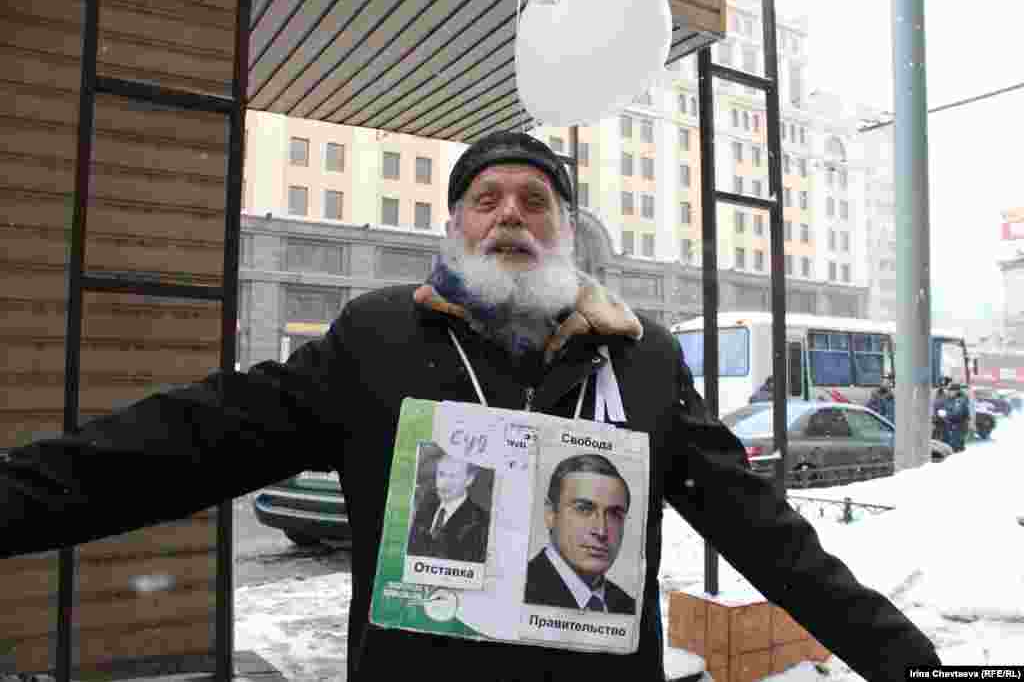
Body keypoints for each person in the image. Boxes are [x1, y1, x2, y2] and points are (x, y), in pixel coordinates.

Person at [0, 131, 940, 681]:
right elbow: (188, 440)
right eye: (485, 199)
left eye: (536, 200)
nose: (511, 215)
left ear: (566, 233)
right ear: (454, 230)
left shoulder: (644, 359)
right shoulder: (376, 341)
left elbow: (770, 535)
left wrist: (919, 668)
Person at [524, 454, 635, 615]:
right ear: (550, 514)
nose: (601, 531)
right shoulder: (517, 589)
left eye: (614, 514)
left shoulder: (629, 606)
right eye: (584, 509)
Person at [406, 444, 489, 563]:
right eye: (441, 474)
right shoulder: (424, 507)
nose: (444, 483)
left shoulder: (482, 522)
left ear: (469, 480)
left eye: (452, 476)